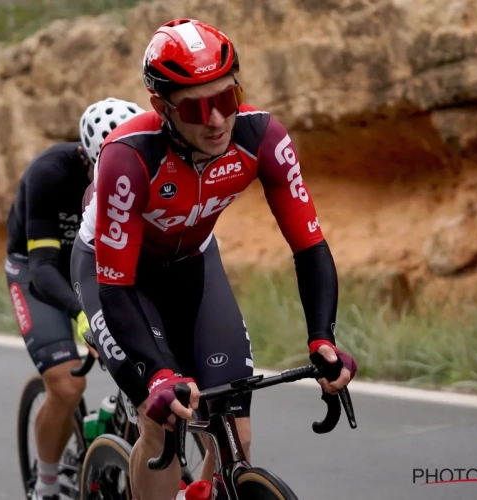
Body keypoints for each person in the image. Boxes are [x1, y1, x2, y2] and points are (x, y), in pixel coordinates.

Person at [71, 18, 359, 500]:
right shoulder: (128, 155)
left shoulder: (262, 136)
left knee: (236, 437)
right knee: (159, 421)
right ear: (161, 108)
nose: (216, 120)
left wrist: (322, 340)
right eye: (195, 107)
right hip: (120, 278)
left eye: (226, 99)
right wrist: (160, 376)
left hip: (192, 265)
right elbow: (115, 286)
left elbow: (309, 246)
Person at [5, 97, 146, 500]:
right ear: (86, 158)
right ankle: (46, 485)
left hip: (98, 263)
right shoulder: (50, 172)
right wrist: (84, 313)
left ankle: (112, 432)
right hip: (38, 267)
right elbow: (45, 270)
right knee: (67, 386)